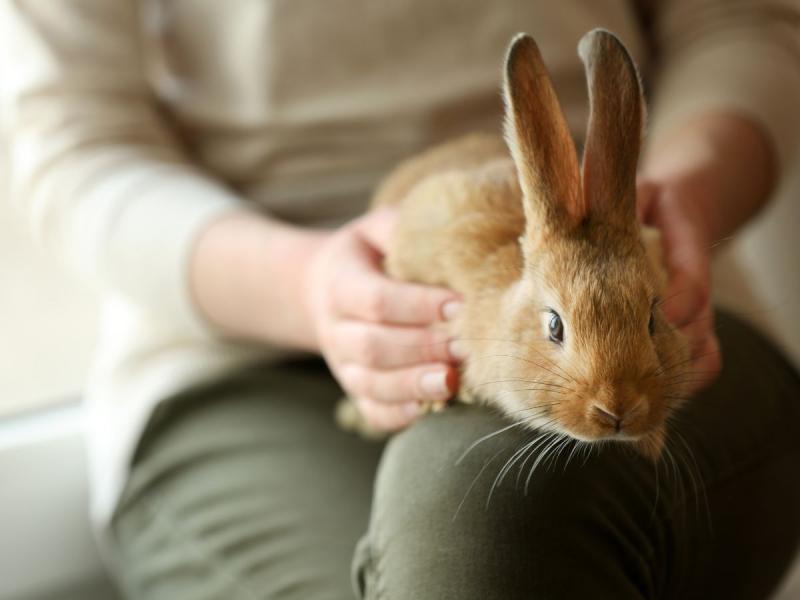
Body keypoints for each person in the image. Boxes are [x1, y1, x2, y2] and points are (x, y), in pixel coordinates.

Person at [2, 1, 799, 598]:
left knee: (480, 528)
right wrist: (306, 287)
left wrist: (687, 199)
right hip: (242, 345)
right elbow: (71, 137)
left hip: (658, 295)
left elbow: (741, 25)